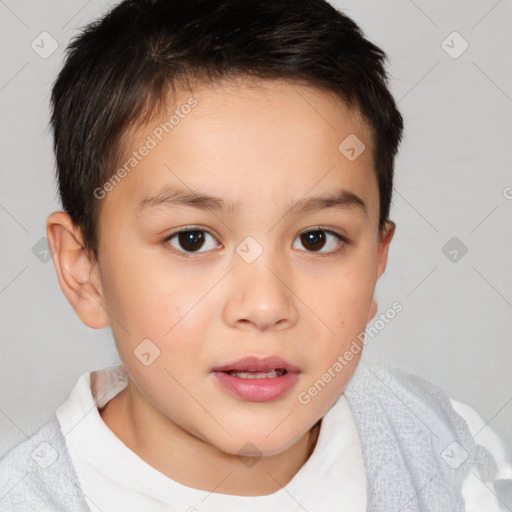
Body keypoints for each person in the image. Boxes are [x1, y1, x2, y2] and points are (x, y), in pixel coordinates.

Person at [1, 0, 511, 510]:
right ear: (84, 270)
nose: (266, 306)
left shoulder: (443, 446)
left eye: (316, 239)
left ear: (377, 259)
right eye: (192, 240)